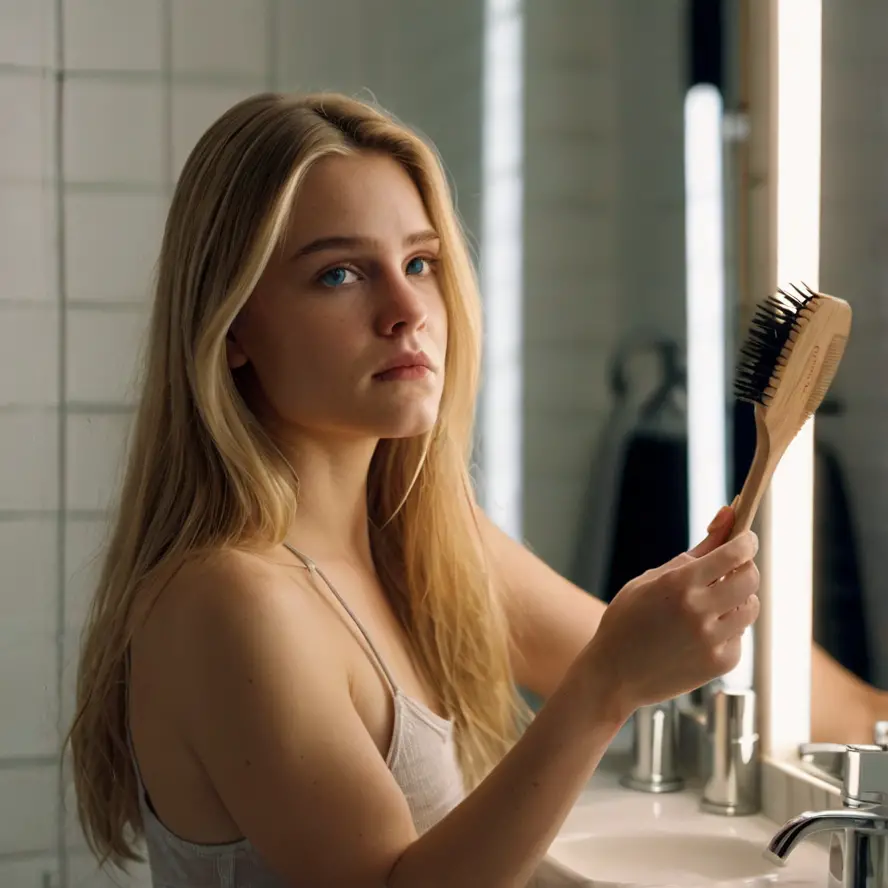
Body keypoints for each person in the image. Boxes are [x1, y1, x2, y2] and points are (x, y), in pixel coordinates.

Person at [66, 92, 761, 888]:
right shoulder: (229, 599)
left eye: (420, 263)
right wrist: (606, 688)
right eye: (338, 274)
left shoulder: (424, 537)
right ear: (231, 333)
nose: (406, 312)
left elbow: (668, 648)